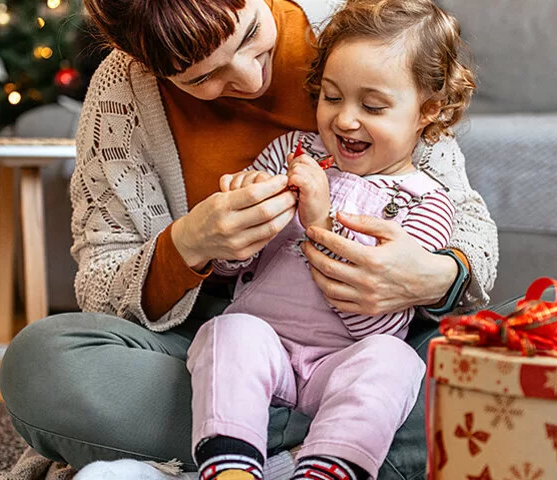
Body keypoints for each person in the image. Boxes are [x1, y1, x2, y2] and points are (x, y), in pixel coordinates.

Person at [0, 0, 557, 478]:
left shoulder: (362, 34)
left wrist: (433, 275)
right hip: (222, 346)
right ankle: (343, 451)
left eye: (250, 39)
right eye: (201, 78)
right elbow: (100, 280)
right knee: (41, 365)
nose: (246, 78)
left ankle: (247, 450)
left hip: (382, 345)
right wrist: (186, 245)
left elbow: (464, 223)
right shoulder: (122, 96)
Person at [185, 2, 481, 479]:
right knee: (226, 333)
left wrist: (318, 221)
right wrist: (234, 229)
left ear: (428, 110)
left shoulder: (428, 204)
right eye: (331, 97)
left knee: (394, 362)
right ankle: (232, 465)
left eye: (372, 106)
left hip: (344, 362)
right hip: (265, 351)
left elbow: (380, 329)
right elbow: (230, 271)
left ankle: (325, 467)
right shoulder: (290, 151)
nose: (344, 120)